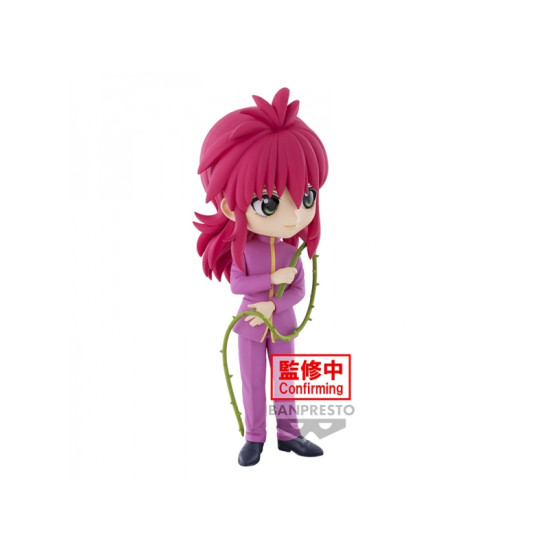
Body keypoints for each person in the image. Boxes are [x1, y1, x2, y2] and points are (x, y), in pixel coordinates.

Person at [194, 88, 328, 466]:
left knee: (286, 377)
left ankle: (289, 434)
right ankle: (254, 437)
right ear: (228, 206)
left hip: (282, 324)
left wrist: (275, 304)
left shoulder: (291, 251)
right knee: (252, 381)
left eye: (306, 197)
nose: (293, 215)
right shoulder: (245, 251)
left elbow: (299, 290)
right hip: (250, 324)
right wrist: (270, 281)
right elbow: (237, 284)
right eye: (269, 202)